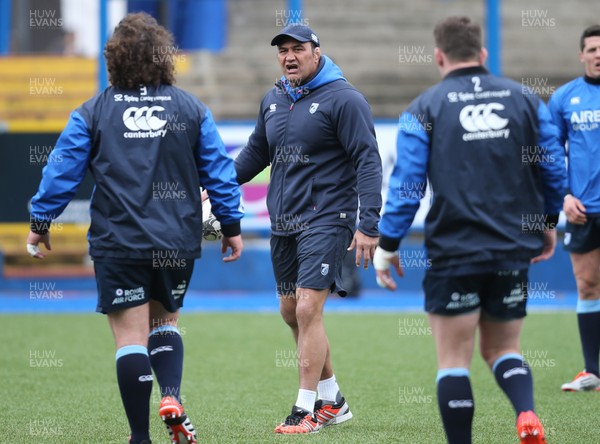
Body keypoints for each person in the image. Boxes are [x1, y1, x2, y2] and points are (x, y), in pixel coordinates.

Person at [27, 13, 243, 444]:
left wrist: (40, 222)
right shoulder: (191, 109)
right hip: (176, 241)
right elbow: (220, 172)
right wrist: (231, 225)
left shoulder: (93, 111)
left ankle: (140, 437)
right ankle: (172, 396)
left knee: (129, 339)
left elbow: (60, 173)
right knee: (165, 323)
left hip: (118, 241)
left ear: (114, 59)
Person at [374, 16, 566, 444]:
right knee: (503, 349)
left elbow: (407, 186)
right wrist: (547, 223)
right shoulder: (525, 99)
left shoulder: (423, 108)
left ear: (439, 56)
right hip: (513, 245)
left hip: (455, 249)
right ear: (482, 55)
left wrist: (388, 246)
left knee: (453, 360)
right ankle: (527, 413)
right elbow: (553, 167)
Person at [234, 24, 382, 434]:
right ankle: (334, 397)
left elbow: (368, 161)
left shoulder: (344, 99)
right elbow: (254, 155)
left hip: (328, 218)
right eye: (282, 50)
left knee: (306, 307)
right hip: (284, 221)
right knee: (291, 311)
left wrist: (368, 224)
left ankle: (305, 409)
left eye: (297, 48)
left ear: (317, 52)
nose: (289, 56)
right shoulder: (274, 98)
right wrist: (211, 184)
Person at [548, 24, 600, 392]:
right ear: (582, 55)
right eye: (593, 49)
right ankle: (592, 372)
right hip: (584, 212)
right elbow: (549, 155)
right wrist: (564, 196)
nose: (599, 54)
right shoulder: (565, 98)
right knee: (587, 285)